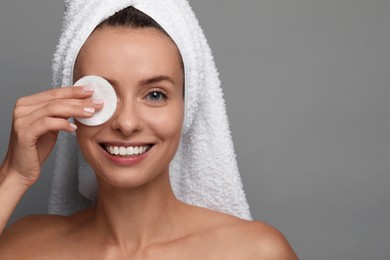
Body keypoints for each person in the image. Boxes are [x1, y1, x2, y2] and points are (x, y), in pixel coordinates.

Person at [0, 2, 297, 259]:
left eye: (155, 95)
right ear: (68, 103)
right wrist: (13, 176)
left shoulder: (254, 253)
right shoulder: (25, 248)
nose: (127, 124)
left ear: (187, 107)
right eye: (101, 95)